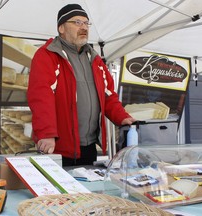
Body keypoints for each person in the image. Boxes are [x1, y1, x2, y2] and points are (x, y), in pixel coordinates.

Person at [27, 4, 135, 166]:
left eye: (86, 23)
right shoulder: (47, 55)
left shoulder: (95, 60)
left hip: (89, 147)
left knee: (86, 190)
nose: (84, 27)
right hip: (57, 148)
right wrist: (46, 133)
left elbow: (108, 95)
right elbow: (41, 96)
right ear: (61, 28)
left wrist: (123, 117)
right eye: (77, 22)